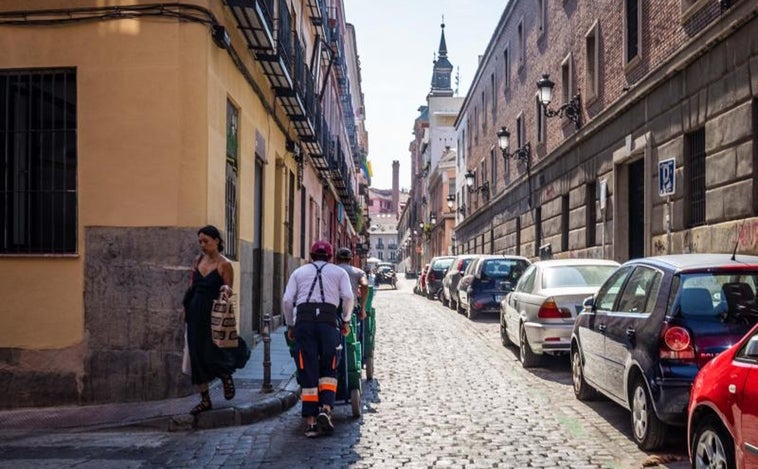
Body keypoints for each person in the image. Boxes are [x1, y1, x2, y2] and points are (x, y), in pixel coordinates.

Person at [282, 240, 354, 438]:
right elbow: (348, 297)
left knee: (307, 369)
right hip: (328, 322)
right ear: (331, 257)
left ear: (311, 256)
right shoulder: (339, 273)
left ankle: (311, 423)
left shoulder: (299, 273)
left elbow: (288, 300)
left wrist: (290, 325)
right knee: (330, 367)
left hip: (304, 323)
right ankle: (326, 409)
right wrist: (346, 321)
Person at [183, 225, 249, 416]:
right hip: (195, 310)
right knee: (195, 354)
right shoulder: (198, 260)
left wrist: (225, 290)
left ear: (217, 241)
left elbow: (228, 287)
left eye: (206, 241)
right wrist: (185, 308)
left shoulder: (224, 264)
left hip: (213, 315)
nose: (202, 245)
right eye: (200, 242)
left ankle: (225, 375)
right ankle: (205, 400)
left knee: (212, 351)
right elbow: (191, 286)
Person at [335, 247, 369, 321]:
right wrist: (363, 308)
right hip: (351, 306)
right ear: (351, 259)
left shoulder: (330, 270)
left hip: (333, 307)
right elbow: (365, 285)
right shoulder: (358, 272)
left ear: (336, 258)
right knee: (355, 329)